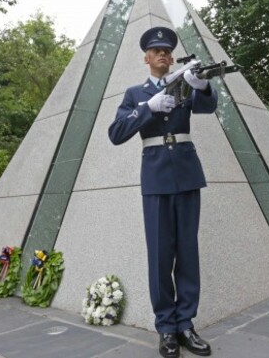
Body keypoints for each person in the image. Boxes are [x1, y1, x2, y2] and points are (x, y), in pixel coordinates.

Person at [108, 27, 217, 358]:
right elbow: (115, 133)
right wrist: (148, 109)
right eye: (156, 51)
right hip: (155, 178)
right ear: (146, 58)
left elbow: (207, 107)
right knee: (160, 256)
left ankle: (185, 324)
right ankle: (166, 329)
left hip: (186, 174)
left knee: (187, 253)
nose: (163, 54)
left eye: (167, 51)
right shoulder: (133, 94)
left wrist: (203, 85)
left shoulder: (183, 83)